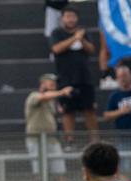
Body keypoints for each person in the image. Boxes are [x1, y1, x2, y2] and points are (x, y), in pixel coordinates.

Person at [24, 73, 76, 181]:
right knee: (39, 173)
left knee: (60, 172)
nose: (53, 84)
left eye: (54, 82)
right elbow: (42, 98)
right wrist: (61, 92)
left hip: (51, 140)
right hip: (36, 140)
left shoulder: (53, 103)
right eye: (50, 82)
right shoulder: (34, 96)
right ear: (42, 83)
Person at [49, 7, 97, 143]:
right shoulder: (57, 33)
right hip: (66, 78)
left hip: (84, 78)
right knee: (68, 110)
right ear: (62, 18)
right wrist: (74, 38)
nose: (71, 19)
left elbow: (91, 49)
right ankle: (69, 140)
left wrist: (81, 39)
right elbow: (56, 49)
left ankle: (94, 139)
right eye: (68, 16)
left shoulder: (83, 32)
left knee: (89, 109)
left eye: (73, 16)